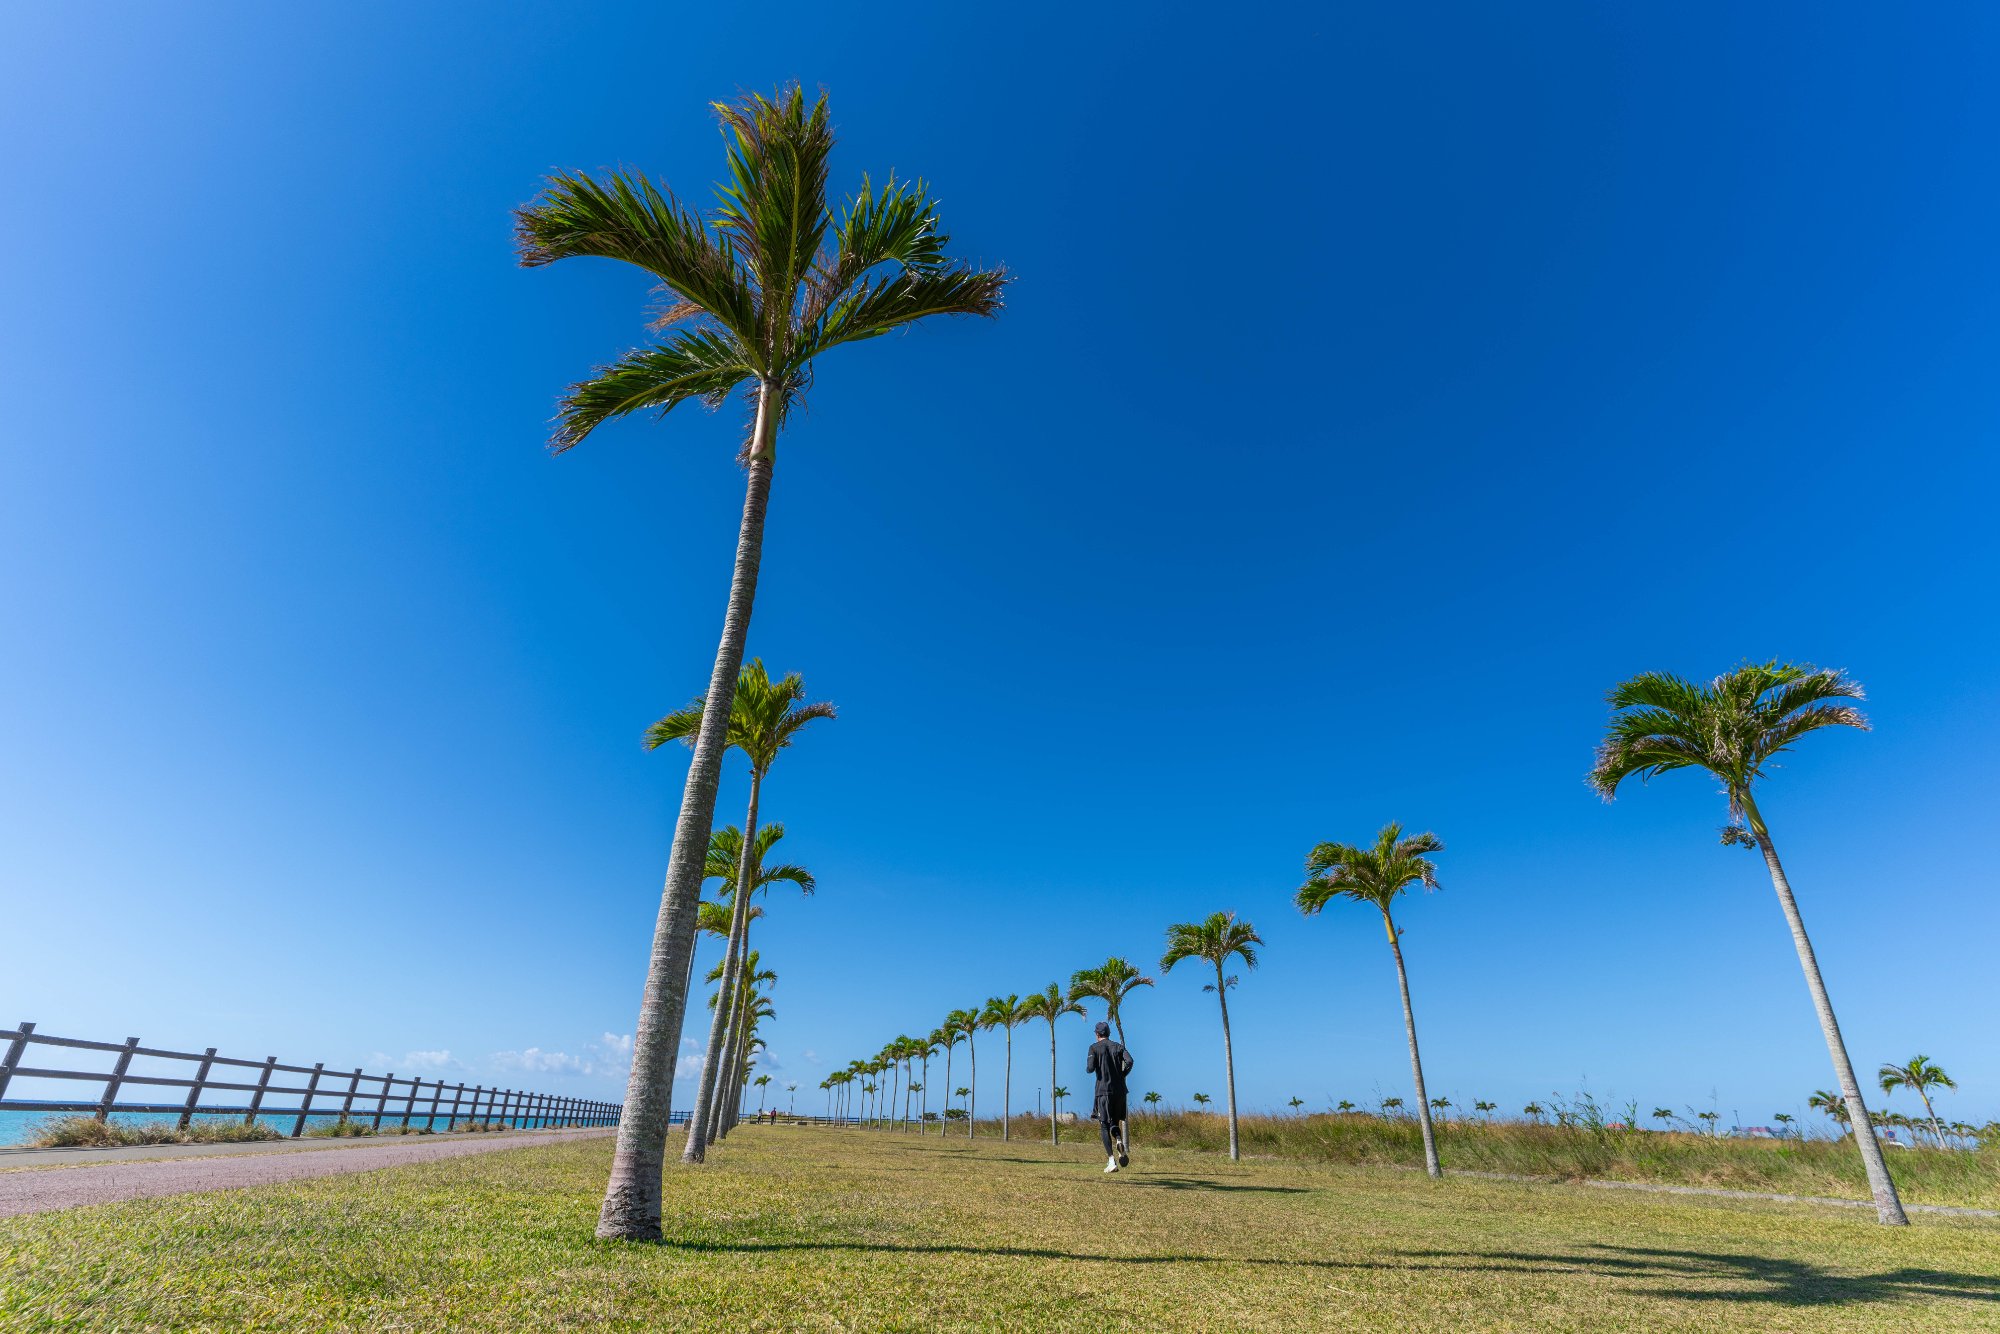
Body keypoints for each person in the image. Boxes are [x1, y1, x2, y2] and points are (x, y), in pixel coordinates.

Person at [1085, 1021, 1134, 1173]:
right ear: (1108, 1033)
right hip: (1120, 1091)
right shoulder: (1118, 1046)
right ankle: (1119, 1140)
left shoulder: (1094, 1048)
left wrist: (1090, 1064)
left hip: (1103, 1092)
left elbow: (1090, 1068)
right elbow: (1130, 1061)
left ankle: (1111, 1161)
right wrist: (1122, 1075)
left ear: (1097, 1034)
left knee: (1104, 1125)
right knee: (1114, 1122)